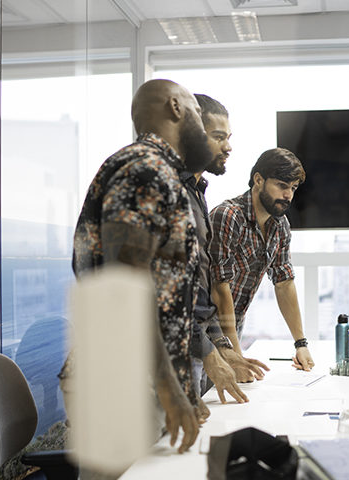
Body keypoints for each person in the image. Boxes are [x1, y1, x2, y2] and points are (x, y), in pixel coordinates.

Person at [61, 79, 214, 454]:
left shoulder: (162, 175)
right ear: (176, 107)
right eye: (196, 110)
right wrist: (169, 388)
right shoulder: (144, 171)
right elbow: (123, 290)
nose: (201, 124)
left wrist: (182, 387)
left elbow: (165, 299)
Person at [183, 94, 268, 398]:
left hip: (193, 342)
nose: (229, 147)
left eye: (228, 137)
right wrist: (211, 350)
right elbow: (164, 292)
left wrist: (223, 347)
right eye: (219, 137)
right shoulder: (168, 190)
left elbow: (199, 292)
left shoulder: (196, 192)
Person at [209, 148, 314, 370]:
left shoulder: (280, 225)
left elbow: (284, 282)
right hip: (205, 331)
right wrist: (235, 355)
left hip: (233, 328)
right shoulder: (228, 216)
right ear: (258, 180)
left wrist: (301, 344)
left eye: (293, 188)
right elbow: (219, 288)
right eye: (282, 186)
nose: (288, 195)